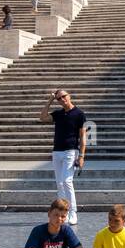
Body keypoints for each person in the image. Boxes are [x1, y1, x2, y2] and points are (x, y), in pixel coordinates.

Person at [39, 89, 87, 225]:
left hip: (71, 151)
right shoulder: (58, 114)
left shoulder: (79, 114)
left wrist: (82, 156)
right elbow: (42, 118)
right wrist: (50, 100)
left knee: (67, 181)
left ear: (69, 96)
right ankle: (62, 213)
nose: (62, 99)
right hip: (57, 151)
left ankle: (73, 212)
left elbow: (83, 136)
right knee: (60, 184)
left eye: (63, 96)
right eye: (59, 98)